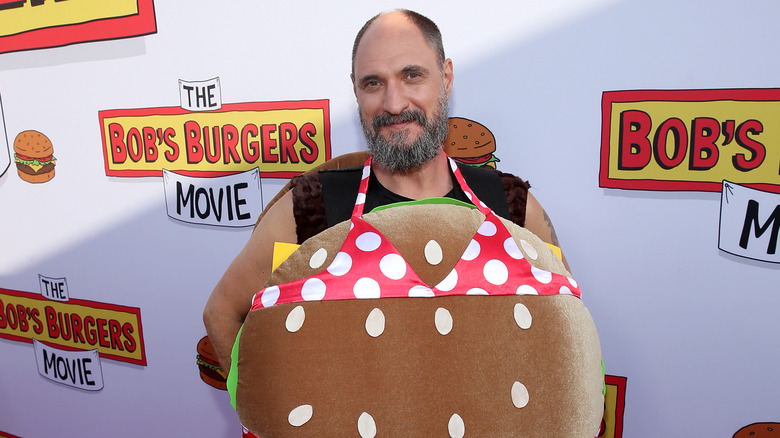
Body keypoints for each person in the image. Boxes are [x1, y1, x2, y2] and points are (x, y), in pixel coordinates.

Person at [203, 8, 568, 372]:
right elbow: (222, 312)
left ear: (446, 78)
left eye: (412, 76)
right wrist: (270, 414)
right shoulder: (310, 210)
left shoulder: (510, 205)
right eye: (373, 83)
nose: (394, 104)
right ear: (356, 90)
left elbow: (567, 325)